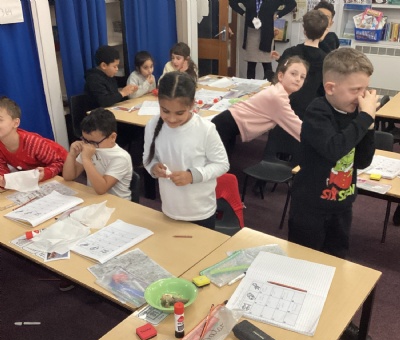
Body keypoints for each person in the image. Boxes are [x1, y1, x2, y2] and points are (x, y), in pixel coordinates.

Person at [288, 48, 378, 340]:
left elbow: (362, 160)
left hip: (341, 205)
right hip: (310, 207)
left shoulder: (356, 115)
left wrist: (368, 126)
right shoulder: (317, 112)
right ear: (331, 87)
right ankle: (300, 318)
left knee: (336, 262)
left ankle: (337, 320)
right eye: (356, 90)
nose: (362, 97)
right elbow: (333, 149)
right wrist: (364, 119)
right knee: (305, 266)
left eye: (365, 89)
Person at [143, 71, 229, 230]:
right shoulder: (152, 125)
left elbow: (222, 164)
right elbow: (147, 158)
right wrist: (154, 168)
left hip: (200, 210)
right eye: (165, 111)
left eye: (179, 113)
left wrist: (192, 176)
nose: (172, 118)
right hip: (170, 207)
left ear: (191, 105)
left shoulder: (205, 129)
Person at [211, 56, 308, 158]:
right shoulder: (278, 98)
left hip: (226, 125)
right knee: (220, 164)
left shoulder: (278, 91)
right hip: (223, 127)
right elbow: (298, 128)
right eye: (293, 74)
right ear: (281, 76)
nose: (298, 79)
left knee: (224, 163)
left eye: (302, 77)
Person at [63, 108, 133, 201]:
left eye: (93, 142)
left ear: (112, 137)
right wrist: (72, 155)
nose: (88, 145)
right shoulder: (89, 148)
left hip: (117, 202)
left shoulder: (120, 158)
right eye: (84, 140)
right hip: (94, 197)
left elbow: (101, 189)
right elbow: (68, 177)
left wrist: (86, 160)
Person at [272, 10, 329, 121]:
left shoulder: (290, 52)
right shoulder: (326, 60)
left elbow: (279, 81)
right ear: (323, 33)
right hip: (312, 112)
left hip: (287, 109)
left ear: (304, 31)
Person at [0, 96, 67, 188]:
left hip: (65, 170)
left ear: (15, 123)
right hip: (36, 179)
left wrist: (46, 173)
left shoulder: (33, 142)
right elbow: (2, 170)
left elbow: (60, 163)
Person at [229, 0, 297, 80]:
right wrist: (243, 13)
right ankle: (250, 85)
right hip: (252, 32)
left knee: (267, 64)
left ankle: (269, 85)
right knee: (251, 64)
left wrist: (278, 15)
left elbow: (292, 3)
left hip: (267, 33)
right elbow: (232, 2)